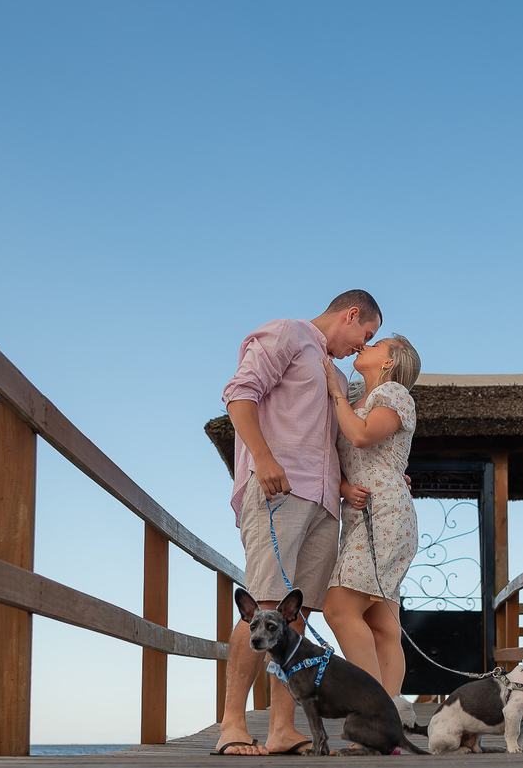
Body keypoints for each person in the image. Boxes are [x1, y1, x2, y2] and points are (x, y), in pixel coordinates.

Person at [215, 290, 382, 756]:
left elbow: (331, 438)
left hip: (325, 501)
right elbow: (238, 394)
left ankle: (281, 729)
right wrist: (263, 459)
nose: (360, 346)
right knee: (265, 603)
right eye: (364, 335)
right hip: (279, 488)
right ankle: (232, 725)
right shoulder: (288, 333)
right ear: (351, 314)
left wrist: (346, 484)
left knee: (297, 614)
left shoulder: (337, 373)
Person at [321, 333, 422, 728]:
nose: (365, 345)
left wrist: (335, 393)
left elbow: (362, 436)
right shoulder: (362, 395)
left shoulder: (394, 394)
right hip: (363, 512)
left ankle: (372, 712)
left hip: (387, 515)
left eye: (376, 344)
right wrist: (345, 488)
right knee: (382, 624)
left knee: (339, 609)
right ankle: (392, 714)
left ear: (389, 362)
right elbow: (351, 460)